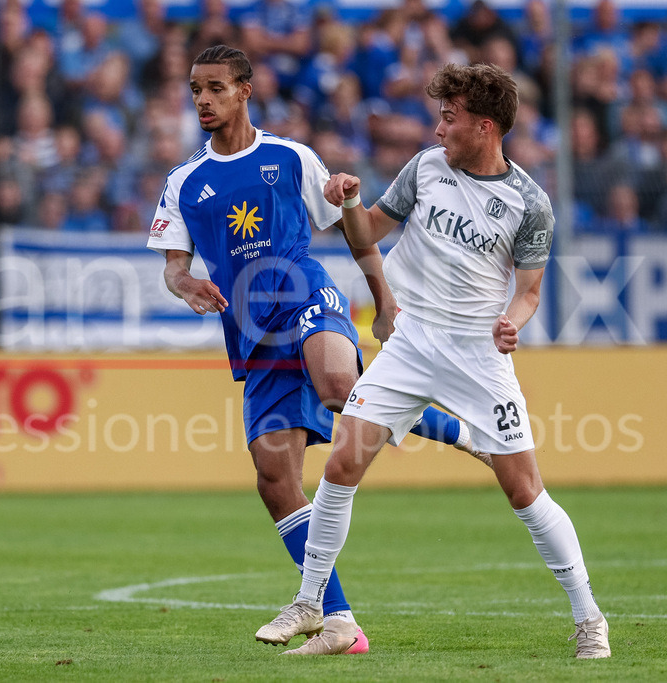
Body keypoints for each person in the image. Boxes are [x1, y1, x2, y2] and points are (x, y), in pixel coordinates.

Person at [256, 62, 611, 659]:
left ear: (486, 126)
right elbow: (367, 230)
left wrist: (513, 324)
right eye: (440, 115)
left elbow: (529, 292)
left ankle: (589, 617)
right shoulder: (424, 168)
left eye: (451, 117)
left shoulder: (529, 203)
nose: (439, 127)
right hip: (412, 341)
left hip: (476, 353)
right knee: (342, 465)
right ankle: (312, 599)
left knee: (525, 491)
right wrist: (349, 201)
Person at [147, 46, 487, 655]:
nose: (203, 100)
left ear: (245, 91)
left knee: (338, 391)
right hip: (253, 333)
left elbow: (356, 236)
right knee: (275, 480)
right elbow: (174, 268)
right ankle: (337, 623)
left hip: (306, 295)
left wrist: (382, 297)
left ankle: (468, 435)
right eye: (196, 89)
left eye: (216, 88)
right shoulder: (183, 183)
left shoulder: (290, 158)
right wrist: (187, 284)